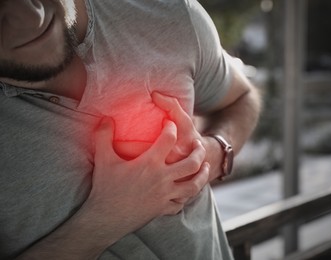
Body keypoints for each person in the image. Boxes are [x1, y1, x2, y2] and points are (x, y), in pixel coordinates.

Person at [0, 0, 260, 259]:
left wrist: (211, 156)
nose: (33, 16)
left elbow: (242, 97)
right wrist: (108, 217)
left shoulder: (165, 10)